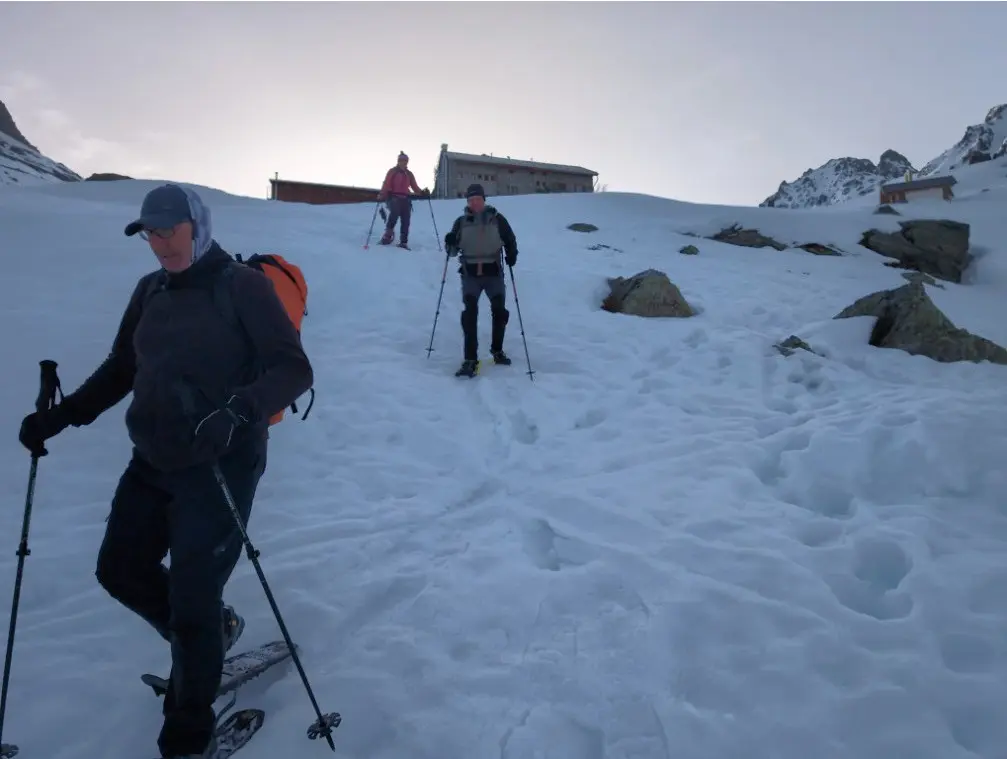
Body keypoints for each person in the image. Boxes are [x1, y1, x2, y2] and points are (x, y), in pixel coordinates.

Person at [16, 183, 313, 759]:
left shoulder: (242, 287)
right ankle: (208, 637)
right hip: (153, 457)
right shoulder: (149, 289)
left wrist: (239, 411)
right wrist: (64, 416)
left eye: (168, 231)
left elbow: (292, 368)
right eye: (149, 234)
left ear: (196, 226)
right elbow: (124, 364)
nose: (159, 244)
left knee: (193, 595)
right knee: (120, 569)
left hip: (221, 463)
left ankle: (187, 736)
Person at [443, 183, 519, 377]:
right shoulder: (461, 222)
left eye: (478, 199)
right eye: (471, 200)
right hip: (470, 275)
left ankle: (497, 351)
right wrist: (450, 242)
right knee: (469, 315)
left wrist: (512, 254)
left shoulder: (497, 219)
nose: (475, 202)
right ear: (467, 202)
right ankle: (470, 360)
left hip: (493, 273)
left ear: (484, 200)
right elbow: (451, 253)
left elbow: (510, 239)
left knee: (500, 312)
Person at [376, 151, 428, 248]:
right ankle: (387, 237)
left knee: (406, 220)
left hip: (405, 198)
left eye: (405, 161)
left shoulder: (409, 174)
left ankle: (403, 242)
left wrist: (422, 193)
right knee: (394, 215)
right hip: (393, 197)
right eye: (402, 160)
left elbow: (414, 186)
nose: (404, 162)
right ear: (398, 161)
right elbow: (386, 184)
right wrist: (382, 194)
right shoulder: (392, 171)